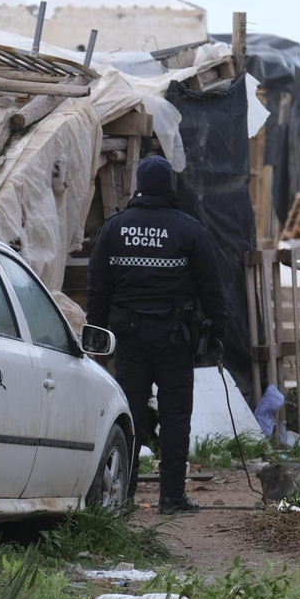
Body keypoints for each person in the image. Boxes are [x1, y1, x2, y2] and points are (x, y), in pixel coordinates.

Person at [87, 155, 230, 514]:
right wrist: (217, 334)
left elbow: (98, 289)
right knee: (176, 416)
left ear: (139, 185)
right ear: (169, 186)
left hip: (129, 340)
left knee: (129, 415)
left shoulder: (114, 228)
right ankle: (171, 496)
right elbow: (212, 289)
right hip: (174, 339)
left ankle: (123, 494)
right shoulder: (189, 230)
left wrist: (96, 335)